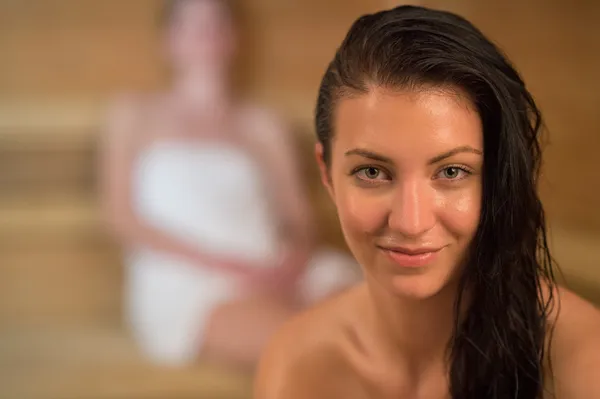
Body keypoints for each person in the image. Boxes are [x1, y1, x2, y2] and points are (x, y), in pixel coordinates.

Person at [255, 5, 600, 399]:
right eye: (372, 172)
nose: (411, 222)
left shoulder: (581, 364)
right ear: (326, 173)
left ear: (497, 178)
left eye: (451, 172)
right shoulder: (295, 366)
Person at [100, 0, 360, 369]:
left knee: (384, 326)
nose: (206, 32)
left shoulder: (263, 125)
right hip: (186, 281)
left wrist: (291, 262)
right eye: (192, 24)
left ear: (234, 38)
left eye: (217, 22)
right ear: (168, 39)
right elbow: (121, 219)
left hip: (270, 263)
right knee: (312, 351)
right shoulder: (132, 116)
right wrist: (232, 268)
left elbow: (298, 216)